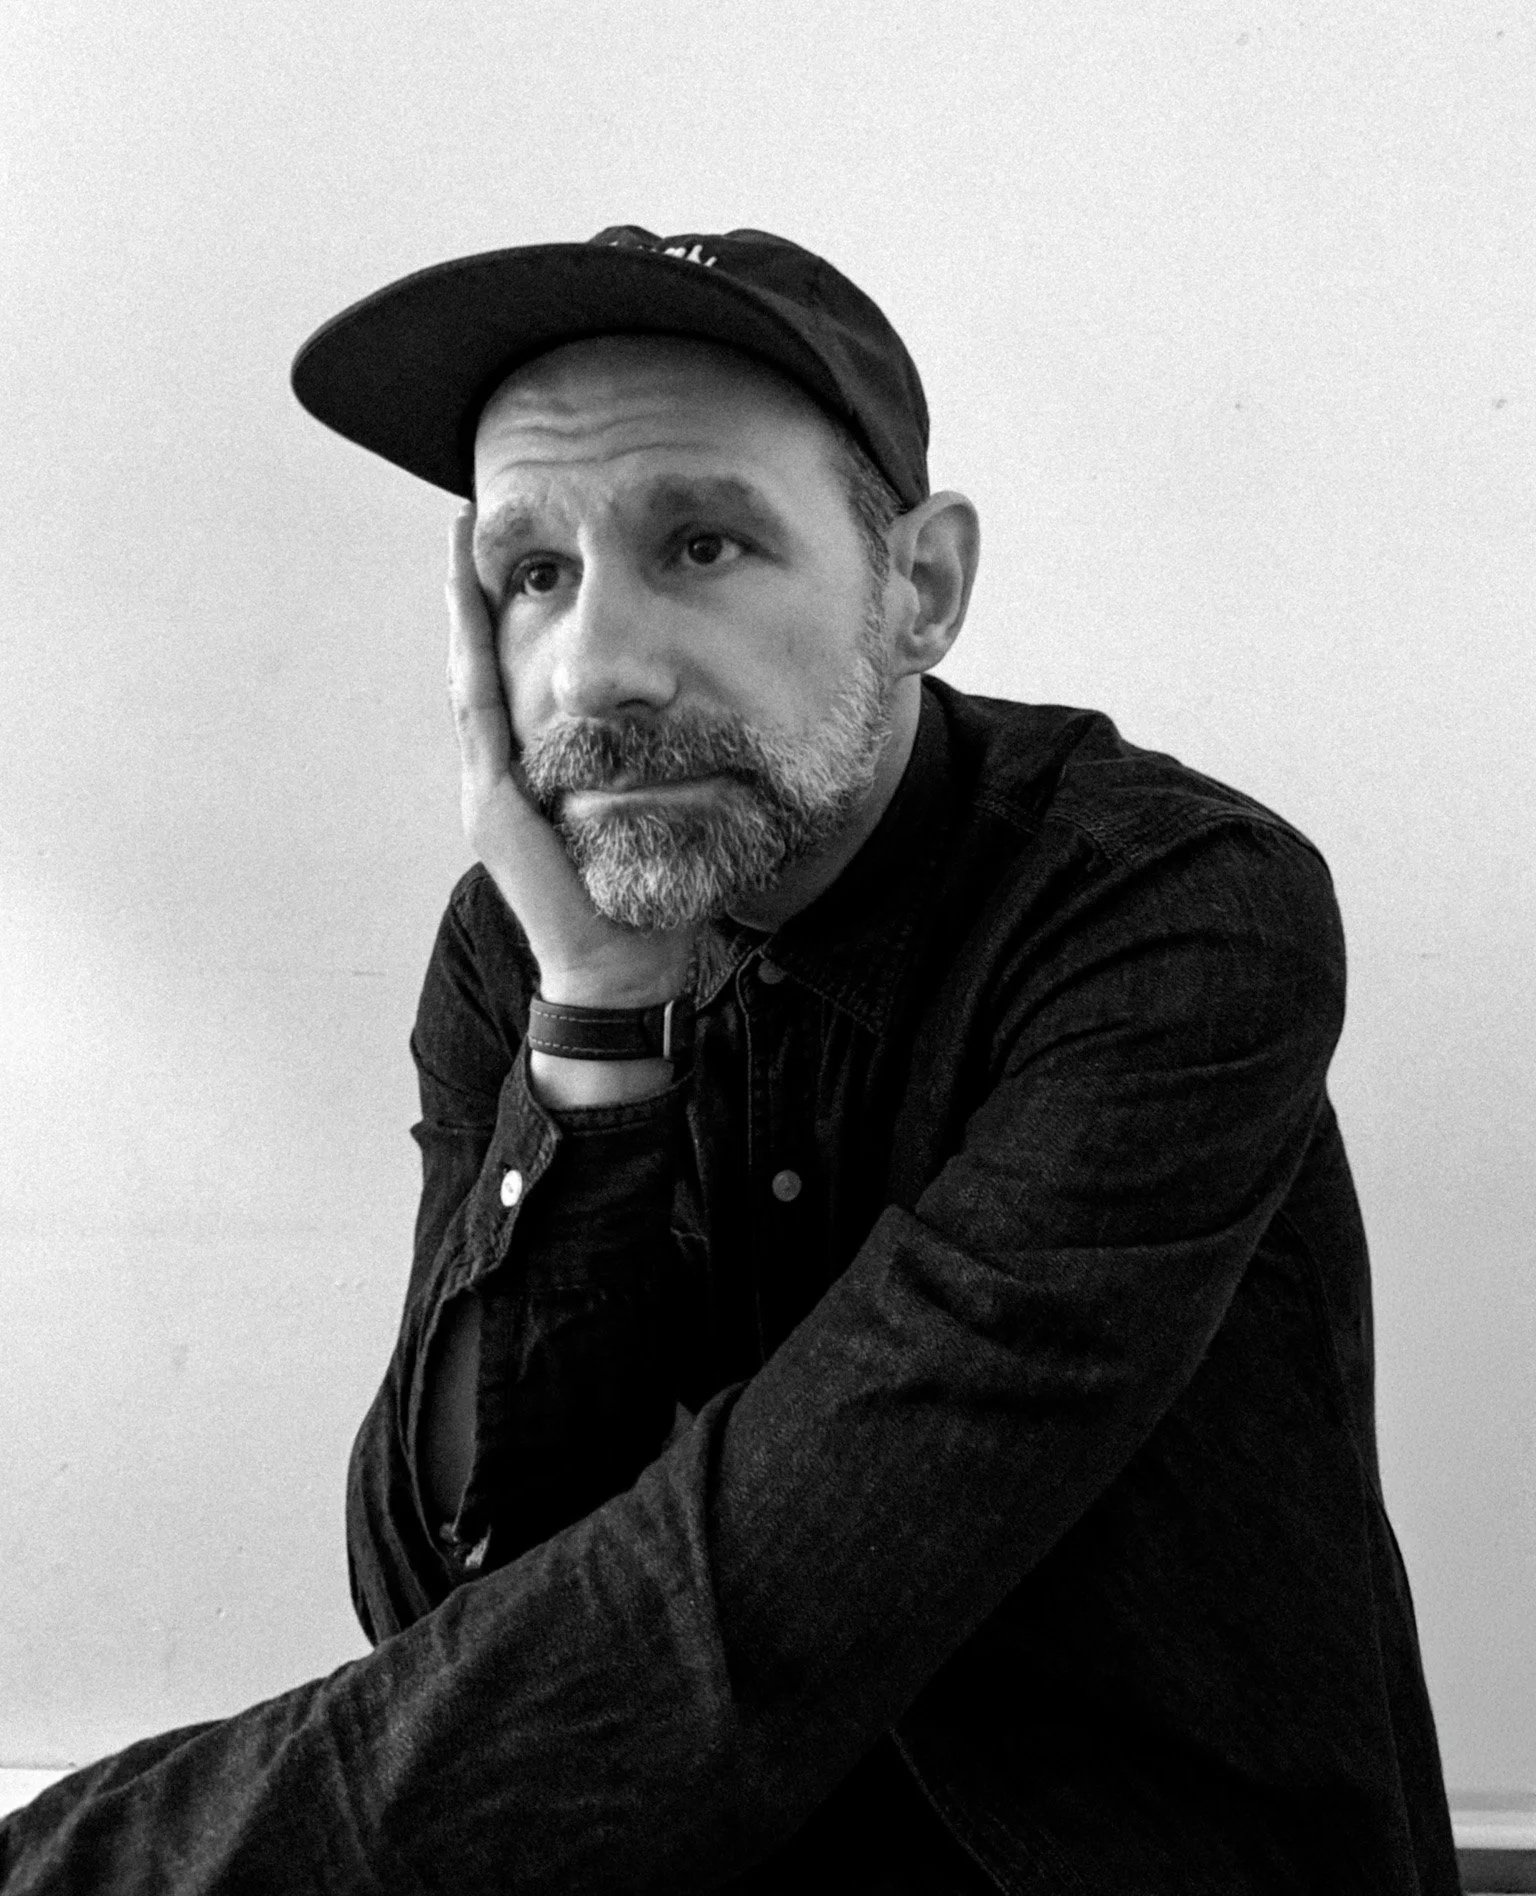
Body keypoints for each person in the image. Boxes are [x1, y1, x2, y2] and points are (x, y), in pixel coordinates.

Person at [0, 226, 1461, 1895]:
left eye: (700, 543)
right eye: (531, 574)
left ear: (920, 588)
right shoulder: (527, 940)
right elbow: (437, 1584)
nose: (594, 668)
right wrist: (598, 1020)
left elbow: (756, 1612)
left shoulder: (1170, 914)